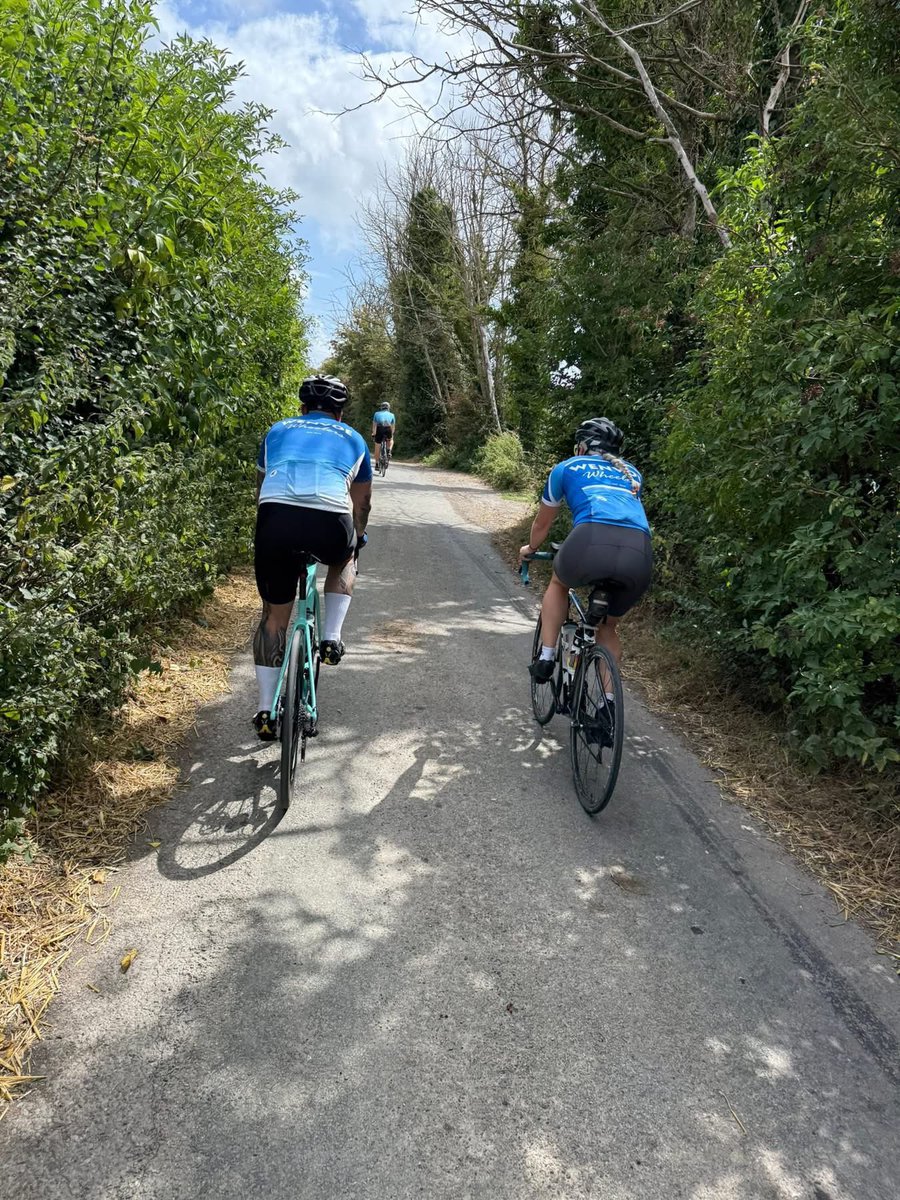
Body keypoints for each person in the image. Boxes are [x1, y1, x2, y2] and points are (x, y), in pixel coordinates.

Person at [252, 375, 372, 741]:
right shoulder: (353, 438)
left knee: (274, 618)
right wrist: (359, 536)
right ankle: (332, 638)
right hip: (329, 520)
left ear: (302, 409)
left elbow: (260, 488)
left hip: (275, 518)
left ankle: (265, 710)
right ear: (339, 414)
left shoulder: (277, 430)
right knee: (345, 556)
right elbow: (361, 503)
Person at [520, 417, 652, 698]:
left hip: (590, 540)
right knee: (608, 629)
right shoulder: (632, 473)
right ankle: (608, 706)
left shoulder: (566, 467)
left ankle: (546, 656)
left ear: (581, 446)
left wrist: (530, 548)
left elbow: (542, 525)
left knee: (558, 583)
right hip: (639, 552)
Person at [371, 401, 396, 466]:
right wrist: (391, 435)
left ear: (381, 408)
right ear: (388, 408)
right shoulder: (392, 415)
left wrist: (373, 434)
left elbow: (374, 426)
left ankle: (376, 464)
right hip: (388, 428)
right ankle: (389, 450)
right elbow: (393, 427)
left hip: (380, 428)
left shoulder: (376, 414)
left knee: (377, 445)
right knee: (391, 439)